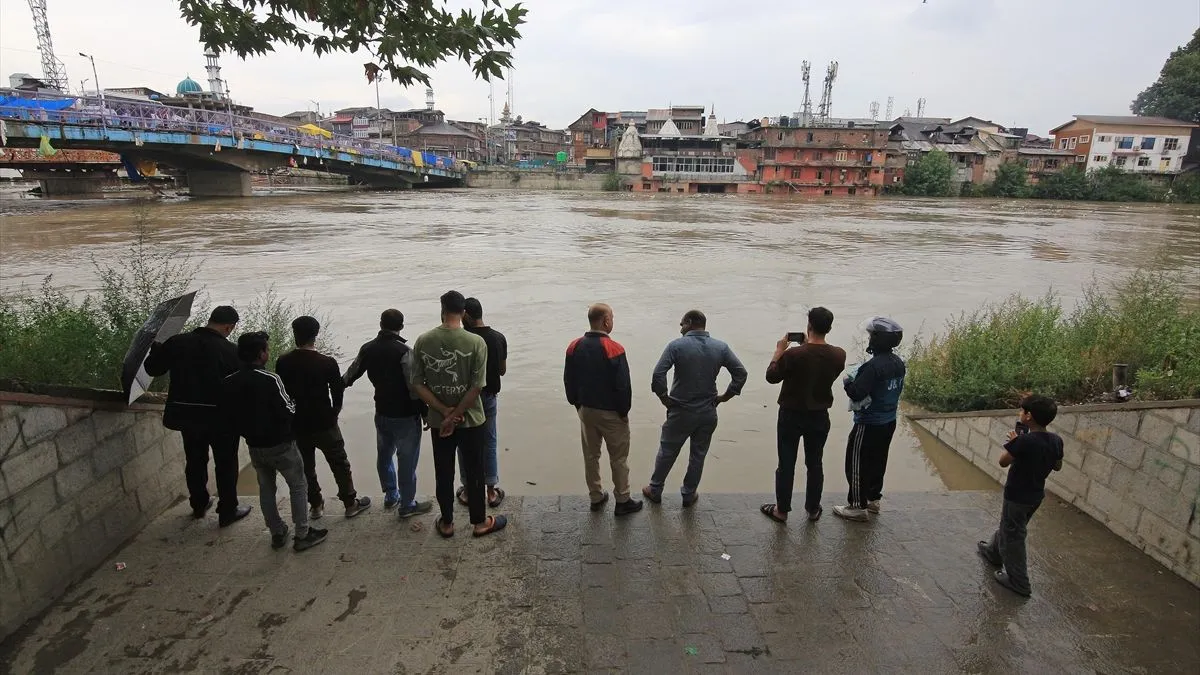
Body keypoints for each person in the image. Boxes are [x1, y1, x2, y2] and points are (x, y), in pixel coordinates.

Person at [410, 291, 508, 538]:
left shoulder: (423, 340)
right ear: (464, 313)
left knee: (443, 471)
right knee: (475, 470)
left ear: (442, 310)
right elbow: (477, 386)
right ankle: (479, 522)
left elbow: (417, 383)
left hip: (438, 421)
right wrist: (458, 413)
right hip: (472, 419)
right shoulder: (476, 343)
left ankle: (447, 522)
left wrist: (445, 412)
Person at [143, 305, 251, 527]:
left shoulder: (177, 343)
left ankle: (199, 504)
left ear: (209, 320)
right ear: (229, 326)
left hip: (187, 415)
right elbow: (242, 386)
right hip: (220, 418)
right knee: (226, 463)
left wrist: (156, 350)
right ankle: (228, 510)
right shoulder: (231, 351)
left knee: (194, 460)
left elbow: (153, 369)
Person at [220, 332, 327, 551]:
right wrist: (295, 403)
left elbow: (229, 414)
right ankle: (302, 533)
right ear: (261, 354)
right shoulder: (270, 379)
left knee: (266, 488)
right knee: (298, 486)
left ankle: (277, 531)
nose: (268, 353)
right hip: (281, 444)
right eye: (266, 349)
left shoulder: (229, 382)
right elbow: (287, 409)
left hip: (255, 446)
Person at [643, 310, 747, 507]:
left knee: (667, 450)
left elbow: (658, 374)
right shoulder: (721, 347)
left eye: (682, 324)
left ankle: (655, 489)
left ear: (690, 322)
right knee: (698, 454)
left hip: (680, 410)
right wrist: (725, 397)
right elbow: (741, 373)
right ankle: (689, 494)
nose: (680, 329)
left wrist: (664, 398)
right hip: (708, 411)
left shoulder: (676, 346)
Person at [275, 316, 371, 520]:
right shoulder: (326, 362)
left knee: (305, 466)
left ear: (295, 334)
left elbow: (281, 392)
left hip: (297, 423)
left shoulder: (283, 361)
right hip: (324, 422)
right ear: (315, 335)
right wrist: (334, 412)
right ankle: (350, 503)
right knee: (339, 463)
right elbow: (337, 391)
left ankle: (316, 505)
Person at [759, 307, 846, 524]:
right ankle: (813, 508)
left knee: (786, 463)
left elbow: (771, 377)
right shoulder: (838, 355)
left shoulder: (793, 355)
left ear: (809, 326)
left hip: (791, 415)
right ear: (829, 328)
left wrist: (778, 352)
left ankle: (782, 510)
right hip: (819, 416)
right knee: (815, 463)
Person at [344, 309, 433, 519]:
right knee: (407, 460)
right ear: (401, 326)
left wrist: (333, 394)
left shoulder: (367, 349)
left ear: (380, 324)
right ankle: (407, 504)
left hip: (382, 413)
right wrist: (425, 412)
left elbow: (349, 375)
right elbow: (414, 386)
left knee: (384, 456)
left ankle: (391, 495)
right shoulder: (404, 352)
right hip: (405, 416)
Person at [977, 395, 1064, 597]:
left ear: (1028, 416)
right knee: (1011, 525)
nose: (1020, 413)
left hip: (1017, 494)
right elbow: (1058, 466)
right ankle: (993, 552)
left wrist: (1015, 443)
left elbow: (1003, 462)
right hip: (1035, 495)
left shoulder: (1024, 441)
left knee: (1013, 535)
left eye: (1021, 411)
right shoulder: (1056, 440)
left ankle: (1019, 581)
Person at [564, 303, 643, 516]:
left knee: (591, 455)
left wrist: (576, 403)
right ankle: (623, 499)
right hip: (611, 412)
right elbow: (623, 386)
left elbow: (568, 380)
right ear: (606, 321)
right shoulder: (614, 348)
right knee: (618, 458)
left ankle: (596, 496)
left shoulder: (574, 346)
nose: (612, 322)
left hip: (585, 410)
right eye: (612, 318)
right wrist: (624, 412)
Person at [834, 317, 906, 522]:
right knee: (878, 460)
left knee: (855, 463)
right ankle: (873, 499)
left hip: (868, 423)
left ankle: (857, 506)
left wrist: (847, 381)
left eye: (871, 335)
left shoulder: (873, 367)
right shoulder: (898, 363)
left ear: (877, 339)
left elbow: (857, 393)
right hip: (889, 421)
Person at [458, 297, 508, 509]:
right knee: (489, 442)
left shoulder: (463, 339)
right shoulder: (498, 338)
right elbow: (502, 370)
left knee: (465, 443)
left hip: (466, 398)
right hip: (489, 397)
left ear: (467, 315)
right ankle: (490, 490)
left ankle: (469, 489)